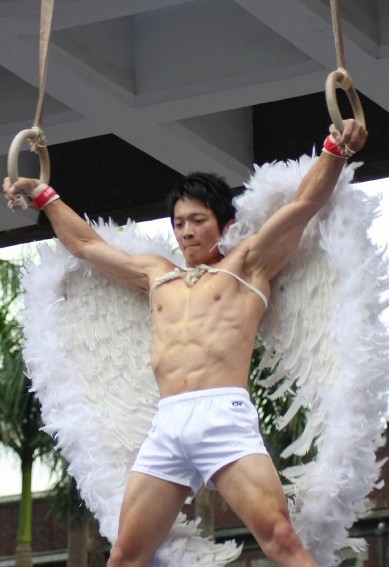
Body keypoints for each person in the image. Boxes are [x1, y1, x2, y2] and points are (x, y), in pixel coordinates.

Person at [3, 119, 367, 567]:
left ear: (226, 226)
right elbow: (84, 243)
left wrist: (336, 148)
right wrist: (43, 195)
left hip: (223, 418)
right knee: (124, 556)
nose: (187, 231)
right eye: (179, 223)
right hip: (168, 424)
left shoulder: (247, 265)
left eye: (198, 220)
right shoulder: (156, 275)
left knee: (281, 540)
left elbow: (303, 204)